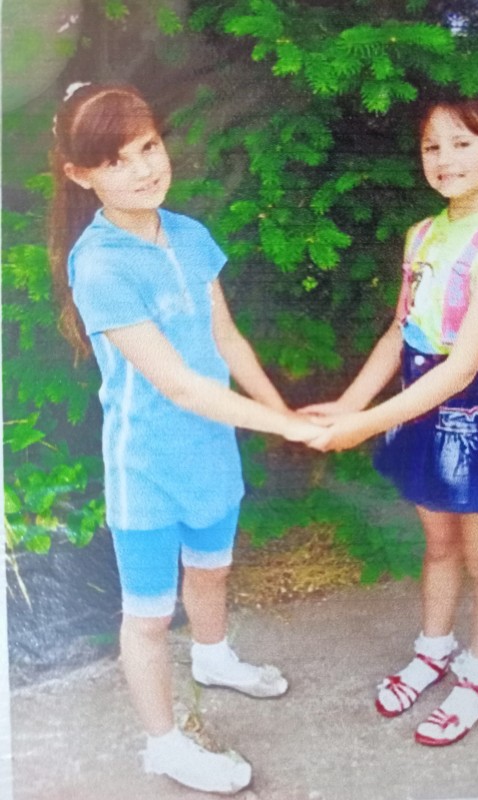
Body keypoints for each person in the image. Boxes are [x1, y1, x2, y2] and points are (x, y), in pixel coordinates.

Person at [49, 82, 322, 794]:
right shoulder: (99, 264)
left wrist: (285, 413)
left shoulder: (191, 236)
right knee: (146, 616)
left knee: (212, 570)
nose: (143, 169)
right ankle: (164, 745)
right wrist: (287, 426)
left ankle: (213, 656)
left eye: (148, 147)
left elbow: (225, 339)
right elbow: (178, 385)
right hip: (146, 467)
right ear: (81, 175)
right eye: (115, 161)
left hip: (212, 449)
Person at [304, 96, 478, 746]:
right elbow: (398, 334)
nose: (445, 159)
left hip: (477, 420)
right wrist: (350, 405)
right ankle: (433, 650)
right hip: (420, 416)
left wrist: (366, 424)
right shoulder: (422, 234)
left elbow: (461, 368)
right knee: (438, 547)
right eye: (432, 146)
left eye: (463, 143)